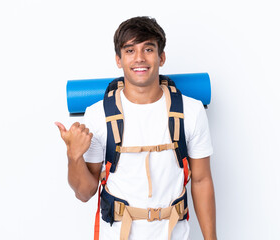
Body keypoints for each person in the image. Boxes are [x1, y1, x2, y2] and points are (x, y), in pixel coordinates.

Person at [55, 16, 217, 240]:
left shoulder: (191, 111)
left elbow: (201, 180)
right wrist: (74, 156)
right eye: (130, 51)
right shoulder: (98, 115)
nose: (139, 58)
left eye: (148, 49)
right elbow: (84, 193)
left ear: (161, 56)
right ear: (119, 60)